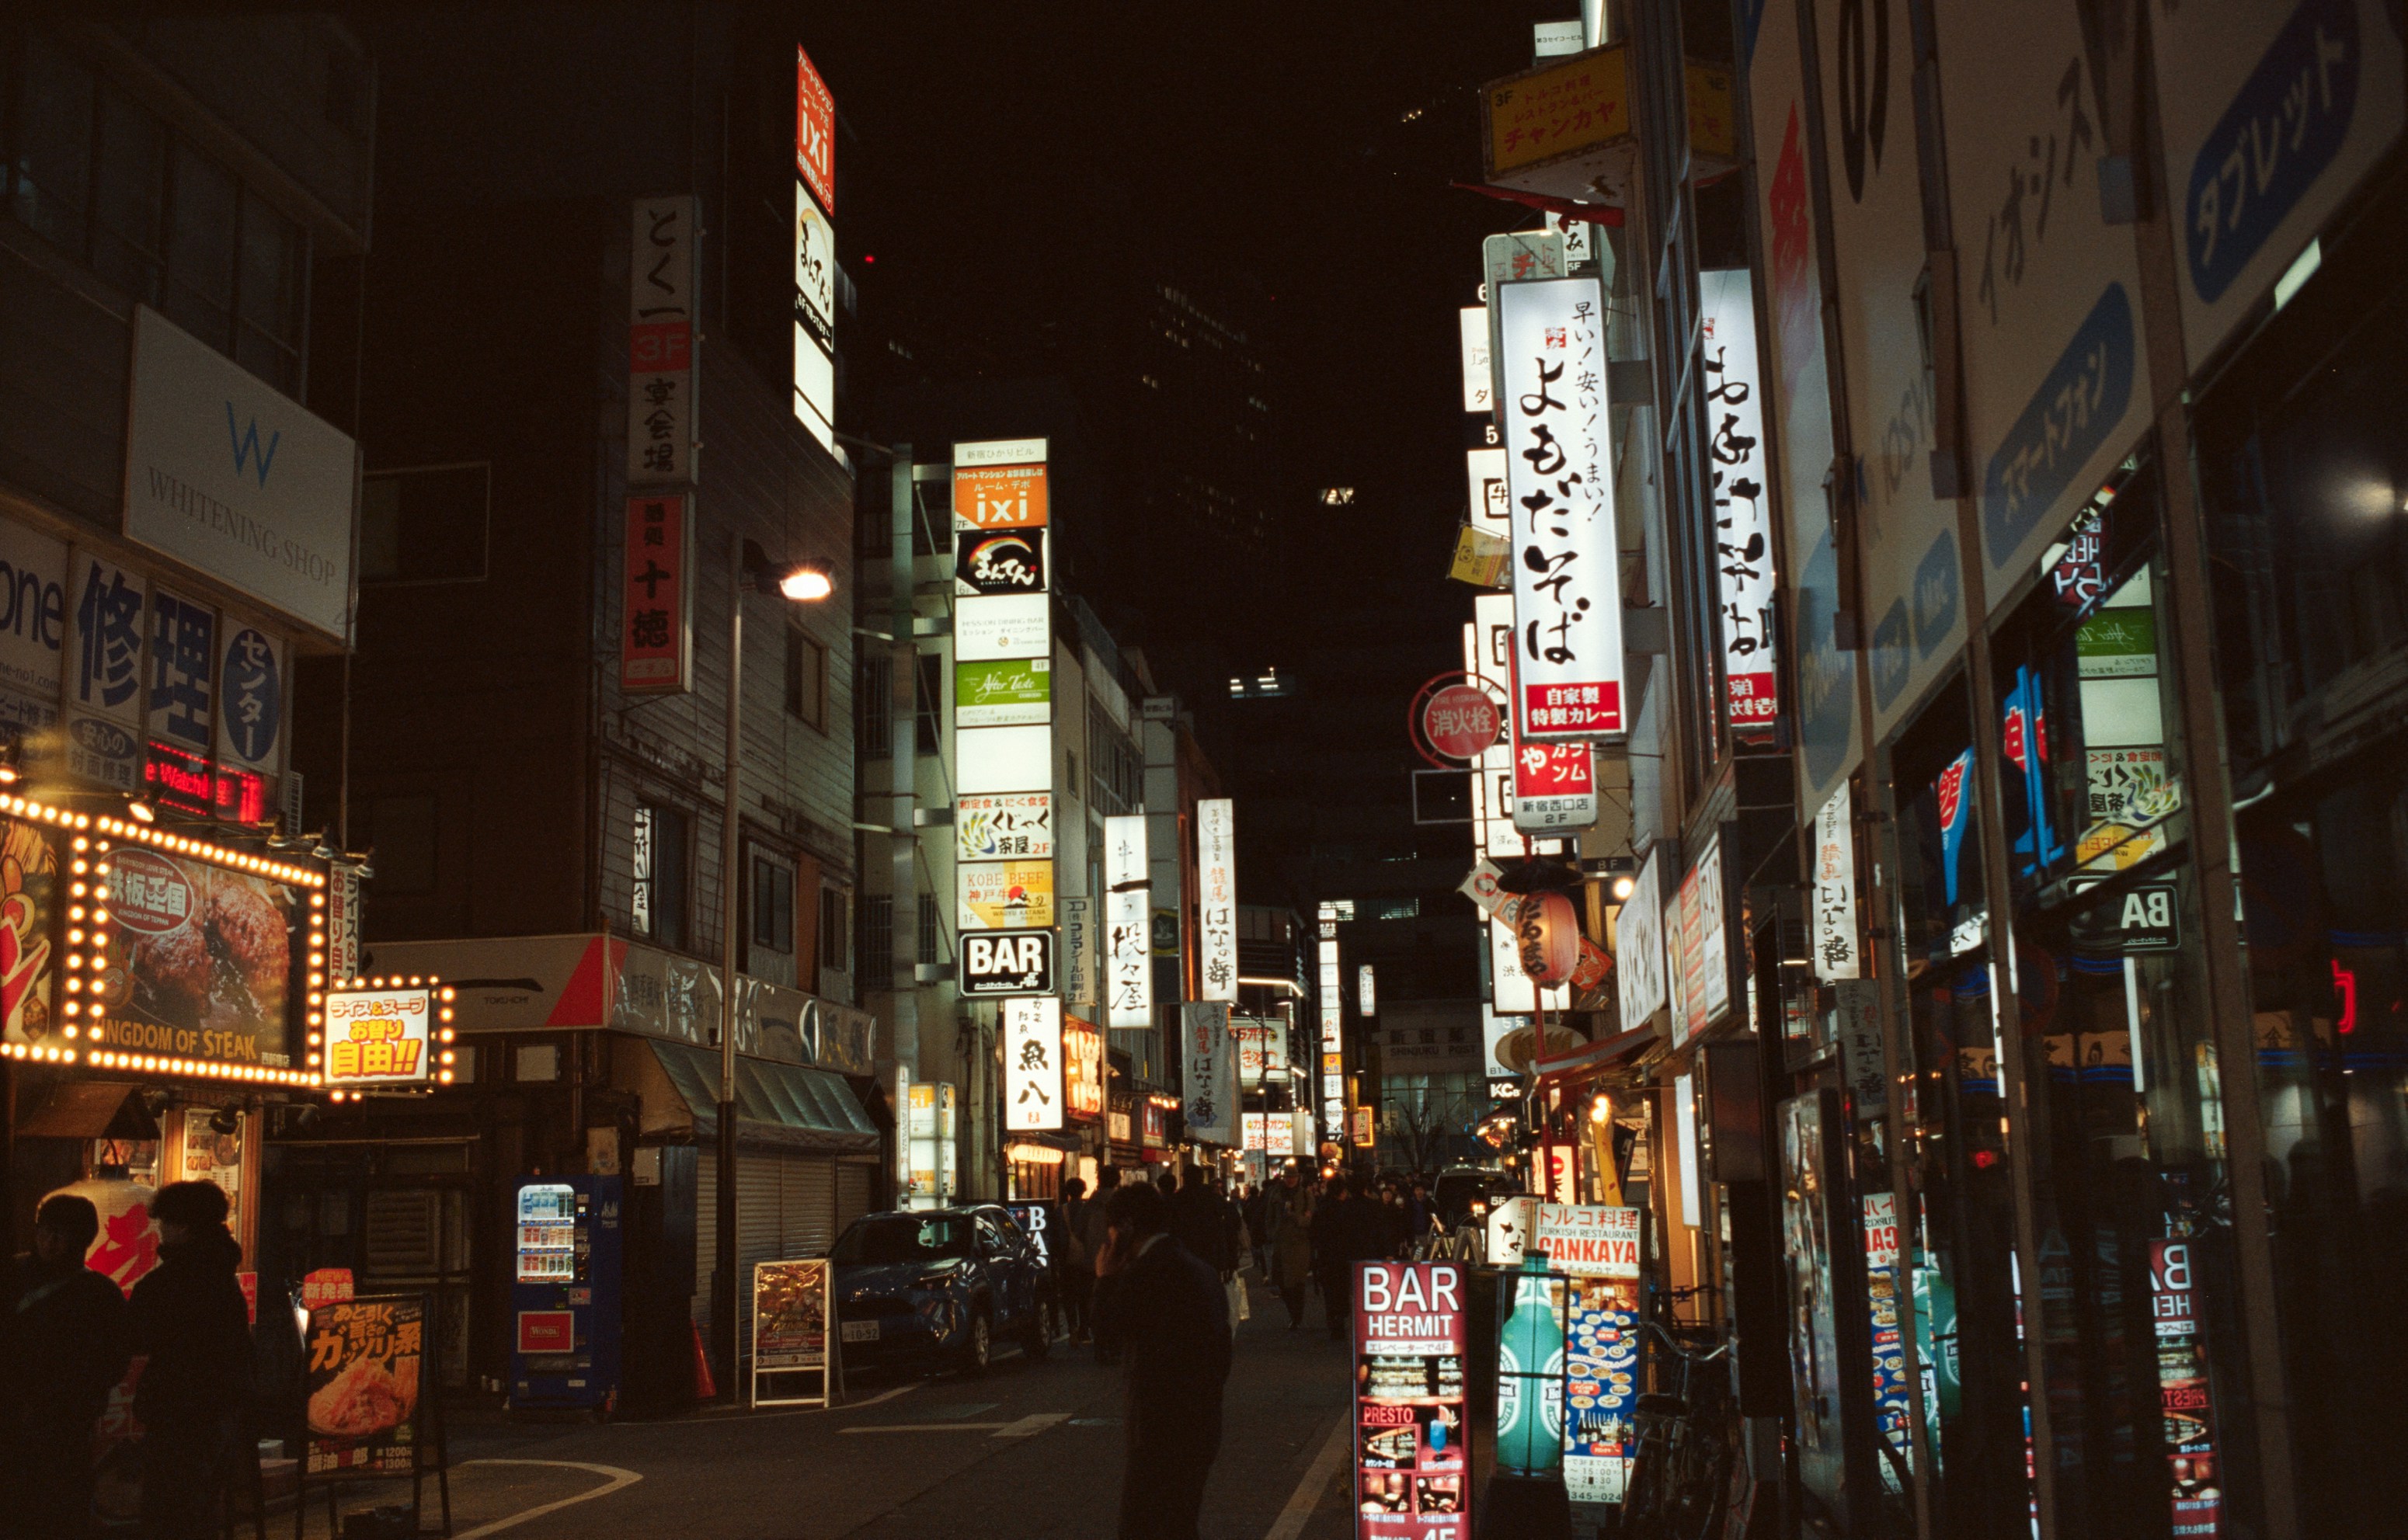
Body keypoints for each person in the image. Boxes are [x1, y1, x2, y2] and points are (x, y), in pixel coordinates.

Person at [1093, 1179, 1231, 1540]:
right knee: (1180, 1523)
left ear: (1126, 1227)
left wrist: (1105, 1279)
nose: (1108, 1241)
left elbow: (1107, 1332)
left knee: (1142, 1526)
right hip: (1200, 1422)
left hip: (1160, 1428)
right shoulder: (1197, 1268)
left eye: (1111, 1231)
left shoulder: (1148, 1273)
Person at [2, 1194, 133, 1540]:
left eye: (60, 1235)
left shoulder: (98, 1294)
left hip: (63, 1419)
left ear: (82, 1240)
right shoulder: (13, 1278)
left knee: (52, 1507)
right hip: (29, 1416)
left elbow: (113, 1357)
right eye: (44, 1232)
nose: (49, 1242)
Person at [127, 1180, 251, 1540]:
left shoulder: (166, 1284)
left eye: (164, 1223)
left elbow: (136, 1337)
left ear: (181, 1226)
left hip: (176, 1412)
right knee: (203, 1509)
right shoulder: (224, 1278)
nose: (161, 1231)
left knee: (169, 1512)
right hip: (221, 1410)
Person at [1321, 1175, 1384, 1342]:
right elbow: (1381, 1232)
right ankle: (1369, 1327)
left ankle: (1340, 1327)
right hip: (1369, 1256)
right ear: (1366, 1189)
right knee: (1368, 1292)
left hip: (1345, 1256)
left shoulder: (1344, 1208)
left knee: (1343, 1292)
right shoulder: (1374, 1206)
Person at [1264, 1164, 1317, 1330]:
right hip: (1280, 1243)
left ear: (1298, 1178)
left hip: (1300, 1245)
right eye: (1287, 1177)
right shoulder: (1276, 1193)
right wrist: (1272, 1233)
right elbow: (1269, 1217)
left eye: (1293, 1177)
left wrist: (1294, 1216)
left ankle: (1296, 1317)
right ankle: (1293, 1313)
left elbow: (1309, 1220)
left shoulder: (1306, 1195)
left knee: (1297, 1283)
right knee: (1281, 1282)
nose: (1290, 1180)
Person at [1084, 1168, 1123, 1364]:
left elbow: (1079, 1230)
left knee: (1099, 1304)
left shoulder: (1091, 1203)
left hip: (1095, 1262)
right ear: (1118, 1180)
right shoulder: (1123, 1202)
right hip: (1119, 1262)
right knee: (1118, 1304)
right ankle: (1115, 1346)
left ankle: (1100, 1346)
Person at [1056, 1177, 1096, 1344]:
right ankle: (1084, 1330)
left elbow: (1056, 1237)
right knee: (1085, 1296)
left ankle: (1072, 1329)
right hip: (1087, 1259)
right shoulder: (1089, 1210)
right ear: (1083, 1190)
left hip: (1067, 1260)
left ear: (1067, 1192)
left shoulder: (1060, 1211)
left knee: (1069, 1296)